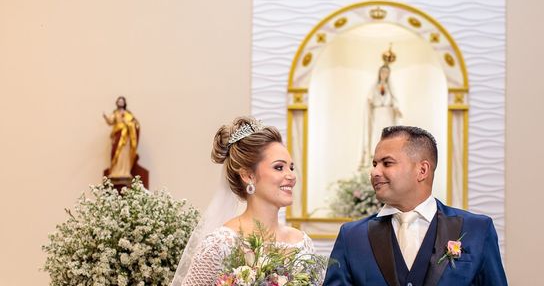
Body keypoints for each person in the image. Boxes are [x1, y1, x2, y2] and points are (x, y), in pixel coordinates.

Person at [325, 126, 508, 286]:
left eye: (387, 163)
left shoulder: (477, 229)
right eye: (374, 164)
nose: (374, 172)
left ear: (422, 170)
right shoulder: (352, 236)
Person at [172, 116, 317, 286]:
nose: (291, 176)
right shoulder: (220, 245)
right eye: (279, 167)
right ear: (248, 175)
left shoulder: (302, 244)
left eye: (291, 167)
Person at [362, 63, 402, 167]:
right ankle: (375, 155)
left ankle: (388, 154)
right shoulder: (375, 87)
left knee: (387, 134)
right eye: (383, 72)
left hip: (387, 113)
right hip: (378, 112)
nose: (384, 74)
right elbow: (369, 98)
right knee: (377, 133)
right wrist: (370, 102)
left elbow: (394, 99)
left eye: (386, 73)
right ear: (379, 73)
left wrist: (397, 109)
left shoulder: (390, 87)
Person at [102, 96, 139, 178]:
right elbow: (110, 122)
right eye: (119, 101)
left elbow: (136, 125)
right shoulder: (115, 113)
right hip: (117, 135)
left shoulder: (128, 114)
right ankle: (115, 171)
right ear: (117, 103)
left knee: (124, 153)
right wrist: (105, 117)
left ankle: (125, 171)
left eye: (122, 101)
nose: (120, 103)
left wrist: (127, 122)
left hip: (125, 137)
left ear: (124, 103)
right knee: (115, 152)